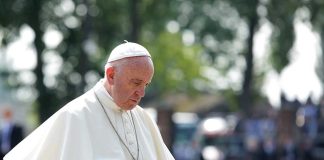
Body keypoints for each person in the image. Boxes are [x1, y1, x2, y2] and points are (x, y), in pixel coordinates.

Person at [4, 42, 175, 160]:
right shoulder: (75, 116)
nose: (142, 93)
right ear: (111, 75)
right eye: (136, 83)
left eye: (146, 84)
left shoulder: (144, 119)